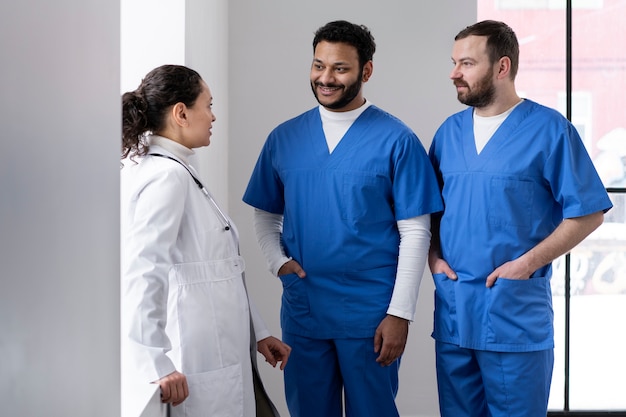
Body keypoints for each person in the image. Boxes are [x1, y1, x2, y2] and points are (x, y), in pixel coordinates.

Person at [242, 20, 443, 417]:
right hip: (306, 309)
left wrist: (400, 313)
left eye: (340, 68)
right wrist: (277, 262)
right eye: (318, 66)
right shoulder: (285, 138)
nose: (326, 78)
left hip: (370, 312)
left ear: (366, 71)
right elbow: (265, 215)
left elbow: (416, 232)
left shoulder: (397, 140)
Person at [428, 20, 613, 417]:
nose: (454, 73)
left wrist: (528, 263)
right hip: (456, 311)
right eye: (453, 62)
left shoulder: (549, 131)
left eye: (466, 63)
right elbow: (428, 212)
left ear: (502, 67)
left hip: (513, 317)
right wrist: (433, 258)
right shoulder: (448, 133)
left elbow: (590, 212)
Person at [120, 64, 290, 417]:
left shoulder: (181, 171)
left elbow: (222, 270)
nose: (213, 116)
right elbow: (144, 271)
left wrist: (257, 332)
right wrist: (153, 361)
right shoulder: (166, 177)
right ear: (181, 112)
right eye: (208, 105)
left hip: (221, 349)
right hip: (198, 359)